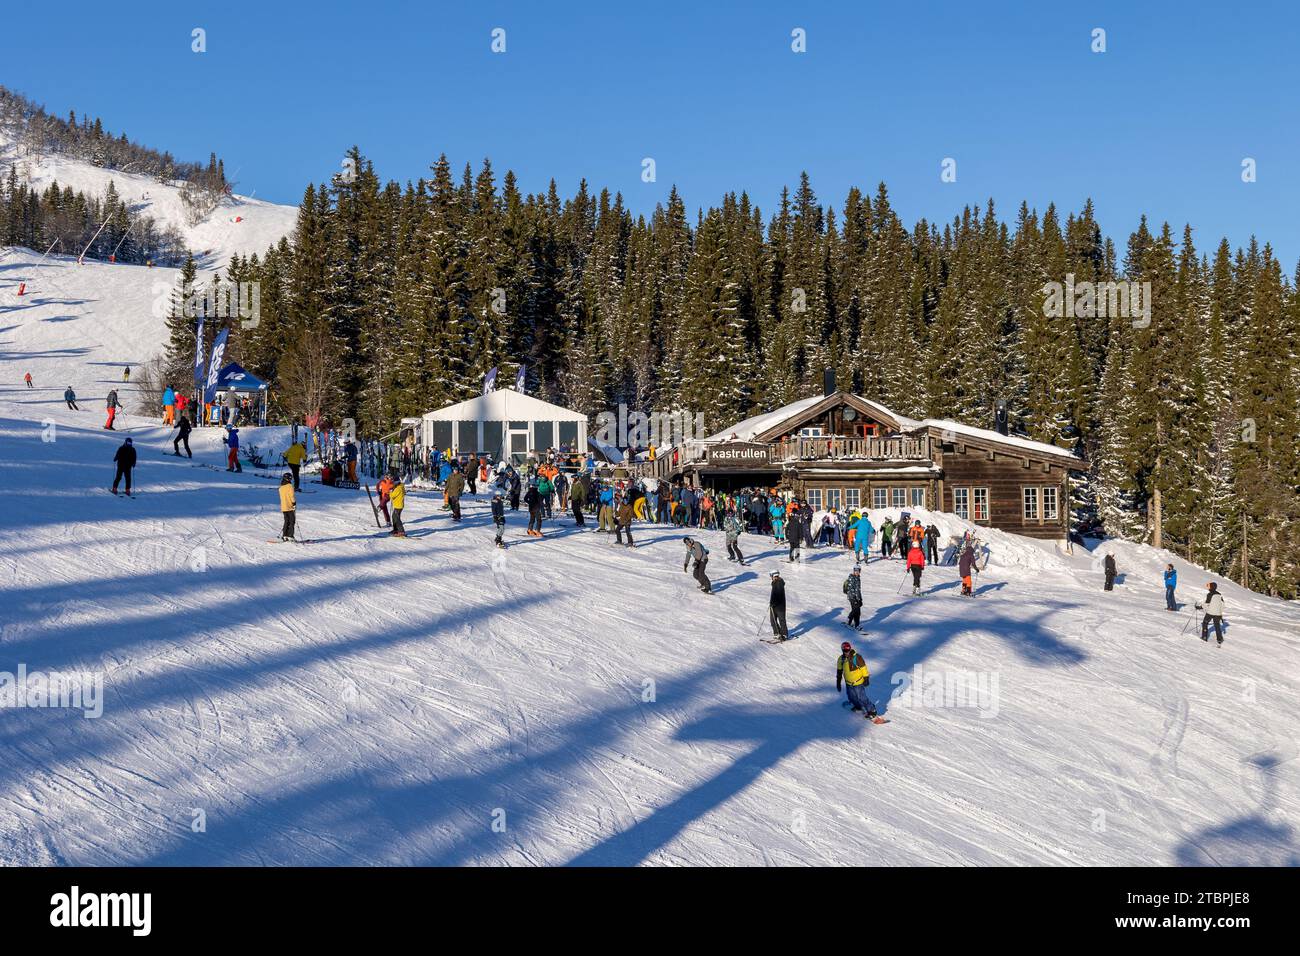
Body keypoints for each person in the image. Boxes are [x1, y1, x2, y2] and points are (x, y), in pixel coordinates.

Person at [836, 641, 879, 718]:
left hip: (858, 682)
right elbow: (839, 671)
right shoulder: (841, 659)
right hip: (849, 683)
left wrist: (866, 678)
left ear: (850, 648)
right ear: (842, 650)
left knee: (862, 697)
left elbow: (863, 668)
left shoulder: (857, 657)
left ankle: (872, 710)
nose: (847, 651)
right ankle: (858, 706)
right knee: (851, 697)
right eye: (845, 650)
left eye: (848, 649)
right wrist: (838, 682)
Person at [769, 570, 788, 640]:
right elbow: (774, 595)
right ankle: (777, 633)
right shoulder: (775, 583)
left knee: (781, 620)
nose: (771, 577)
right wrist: (771, 602)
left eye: (771, 576)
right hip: (774, 605)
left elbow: (778, 594)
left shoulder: (779, 583)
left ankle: (784, 634)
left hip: (780, 606)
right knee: (772, 620)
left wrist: (773, 602)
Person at [843, 565, 863, 629]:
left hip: (856, 597)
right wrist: (855, 598)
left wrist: (860, 599)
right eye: (856, 570)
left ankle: (856, 625)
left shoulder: (858, 578)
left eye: (858, 571)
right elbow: (852, 589)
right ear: (853, 571)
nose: (857, 572)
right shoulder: (852, 578)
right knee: (855, 610)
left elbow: (858, 590)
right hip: (852, 597)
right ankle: (848, 621)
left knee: (858, 611)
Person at [279, 472, 296, 540]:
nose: (291, 480)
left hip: (283, 506)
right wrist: (294, 503)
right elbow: (292, 496)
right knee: (292, 521)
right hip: (289, 506)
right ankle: (290, 535)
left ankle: (285, 535)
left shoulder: (281, 487)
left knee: (286, 520)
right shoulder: (290, 486)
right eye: (290, 478)